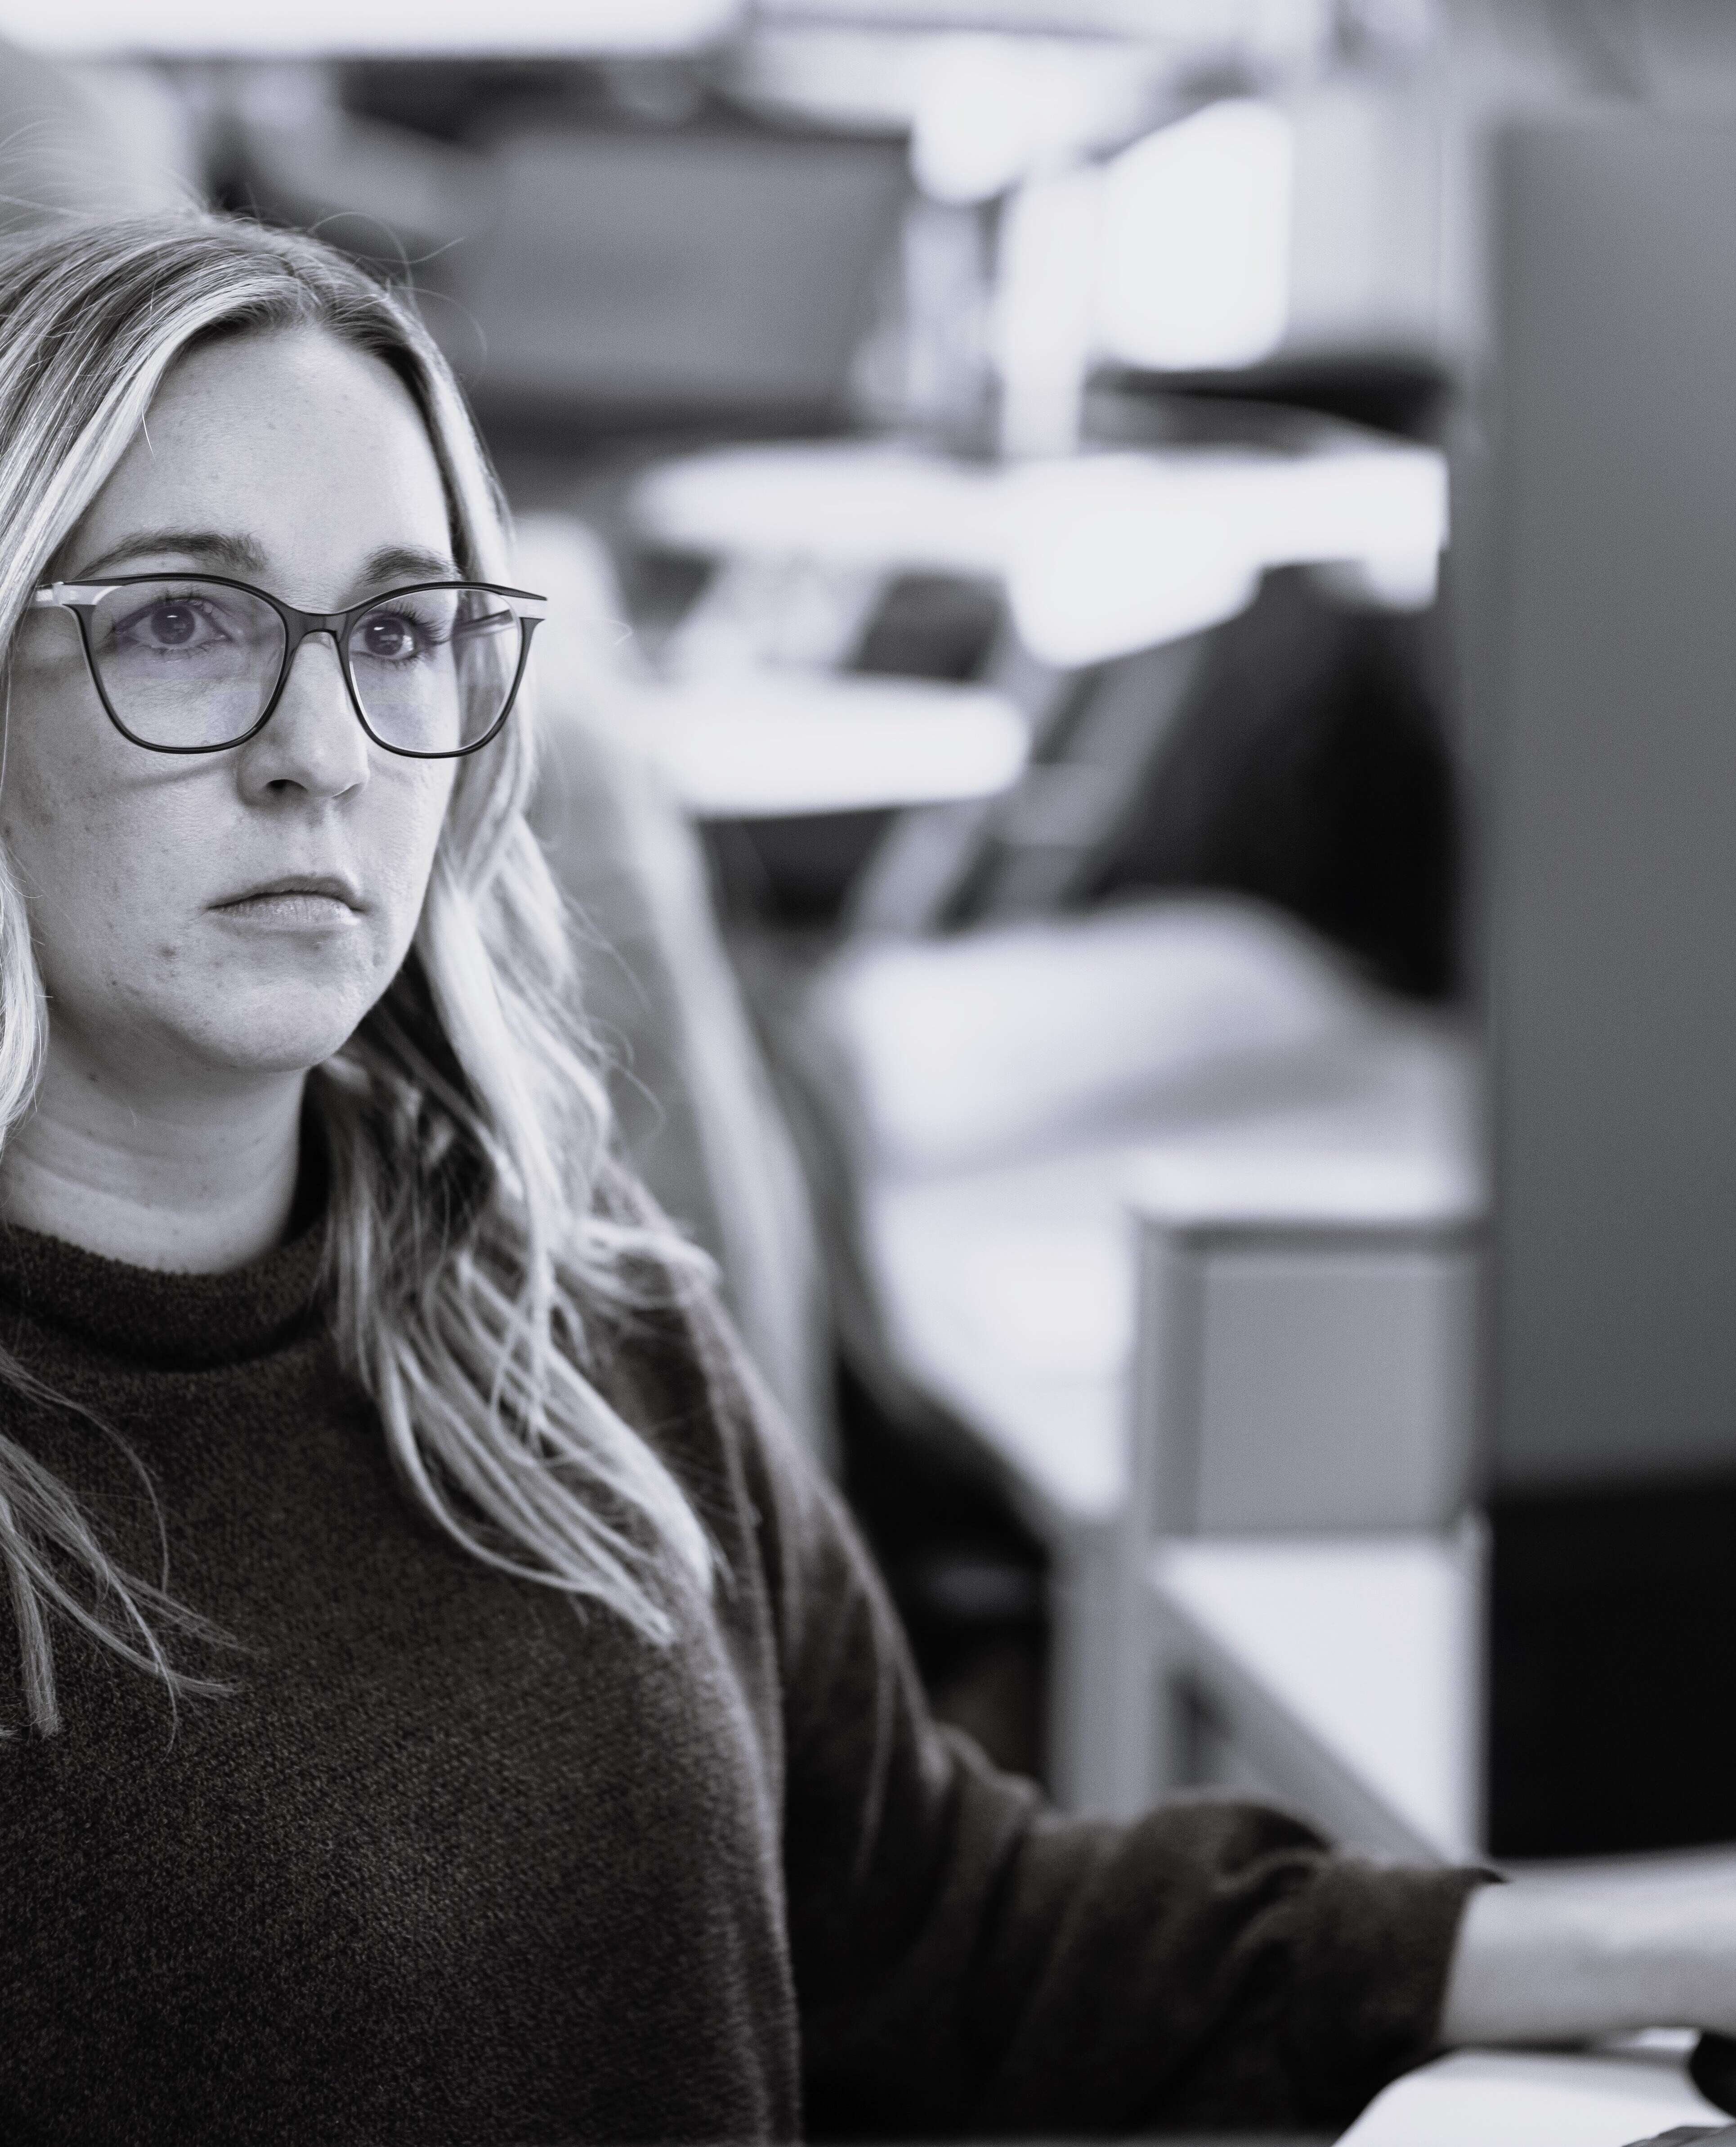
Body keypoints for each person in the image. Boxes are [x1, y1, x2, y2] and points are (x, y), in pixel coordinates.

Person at [0, 206, 1724, 2147]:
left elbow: (931, 1928)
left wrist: (1651, 1953)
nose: (323, 751)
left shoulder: (581, 1329)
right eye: (178, 620)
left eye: (401, 632)